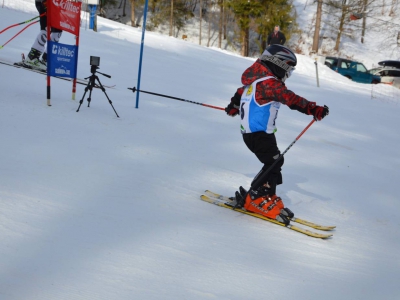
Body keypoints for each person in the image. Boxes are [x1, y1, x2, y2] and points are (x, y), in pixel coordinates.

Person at [224, 45, 329, 224]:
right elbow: (290, 99)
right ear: (278, 64)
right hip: (258, 134)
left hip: (259, 133)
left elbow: (240, 93)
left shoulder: (256, 81)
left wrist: (234, 107)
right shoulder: (269, 84)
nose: (287, 75)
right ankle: (256, 196)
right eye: (288, 70)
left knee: (274, 161)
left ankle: (267, 195)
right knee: (274, 161)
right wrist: (313, 109)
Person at [24, 0, 63, 70]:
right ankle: (32, 58)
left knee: (57, 33)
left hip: (58, 6)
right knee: (46, 30)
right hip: (45, 3)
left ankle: (46, 60)